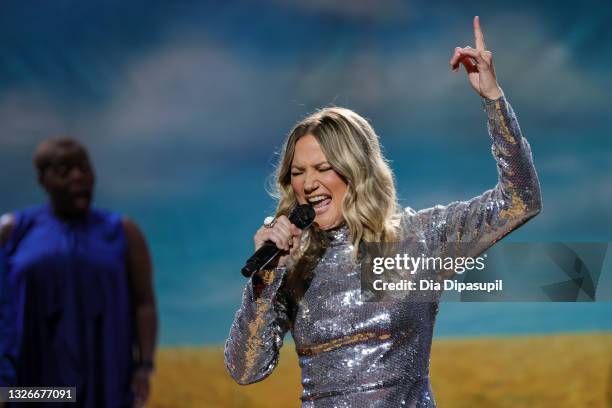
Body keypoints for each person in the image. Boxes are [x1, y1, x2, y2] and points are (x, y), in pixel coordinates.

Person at [224, 16, 542, 407]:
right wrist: (264, 279)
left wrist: (493, 100)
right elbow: (245, 370)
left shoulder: (420, 240)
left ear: (356, 172)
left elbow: (520, 200)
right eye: (298, 172)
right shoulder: (289, 265)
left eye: (324, 169)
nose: (309, 183)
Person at [0, 138, 158, 408]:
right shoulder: (13, 231)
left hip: (107, 378)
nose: (77, 177)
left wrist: (143, 366)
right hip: (32, 381)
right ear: (43, 180)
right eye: (64, 171)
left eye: (84, 168)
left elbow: (144, 303)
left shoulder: (123, 232)